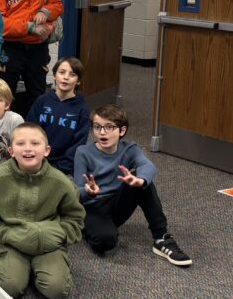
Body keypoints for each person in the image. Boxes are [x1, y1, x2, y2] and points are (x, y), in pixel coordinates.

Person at [0, 123, 85, 299]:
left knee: (57, 291)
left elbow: (75, 218)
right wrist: (7, 234)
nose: (28, 149)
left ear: (46, 150)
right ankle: (0, 260)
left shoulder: (62, 183)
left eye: (35, 143)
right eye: (20, 144)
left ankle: (38, 268)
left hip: (49, 245)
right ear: (10, 151)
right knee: (9, 288)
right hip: (13, 242)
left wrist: (60, 236)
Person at [74, 104, 192, 267]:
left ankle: (161, 237)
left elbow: (148, 166)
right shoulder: (83, 152)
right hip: (93, 207)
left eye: (109, 127)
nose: (102, 132)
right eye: (97, 127)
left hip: (117, 204)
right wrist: (88, 191)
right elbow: (77, 193)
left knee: (143, 181)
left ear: (122, 131)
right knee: (106, 242)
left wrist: (140, 180)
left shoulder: (130, 149)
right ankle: (88, 228)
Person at [27, 57, 89, 177]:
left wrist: (59, 168)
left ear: (78, 81)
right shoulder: (42, 101)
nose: (66, 77)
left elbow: (78, 145)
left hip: (63, 168)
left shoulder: (82, 109)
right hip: (35, 160)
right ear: (54, 75)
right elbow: (29, 131)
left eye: (72, 74)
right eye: (62, 72)